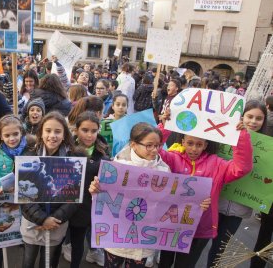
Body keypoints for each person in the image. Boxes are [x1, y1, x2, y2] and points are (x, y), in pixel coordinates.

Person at [156, 110, 253, 268]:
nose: (194, 149)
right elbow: (154, 150)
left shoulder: (217, 164)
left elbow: (242, 168)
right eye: (190, 143)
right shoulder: (172, 158)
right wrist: (165, 126)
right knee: (164, 262)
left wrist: (241, 137)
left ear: (206, 145)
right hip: (170, 223)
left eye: (199, 144)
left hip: (199, 228)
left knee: (185, 265)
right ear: (183, 141)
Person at [89, 122, 173, 268]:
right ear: (133, 144)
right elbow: (105, 201)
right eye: (149, 145)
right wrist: (95, 190)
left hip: (143, 241)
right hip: (117, 239)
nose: (154, 150)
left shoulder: (164, 171)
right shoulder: (117, 166)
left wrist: (194, 204)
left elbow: (169, 203)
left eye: (158, 145)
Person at [208, 100, 267, 267]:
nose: (253, 122)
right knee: (200, 242)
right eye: (249, 116)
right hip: (215, 201)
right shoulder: (224, 134)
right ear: (242, 116)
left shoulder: (268, 147)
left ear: (264, 121)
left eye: (259, 118)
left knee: (219, 247)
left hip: (239, 207)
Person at [20, 112, 80, 268]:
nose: (52, 135)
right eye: (48, 131)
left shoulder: (73, 161)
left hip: (57, 223)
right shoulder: (28, 156)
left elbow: (73, 199)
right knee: (28, 260)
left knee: (49, 263)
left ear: (64, 135)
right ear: (41, 133)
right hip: (32, 221)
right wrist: (41, 219)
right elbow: (24, 195)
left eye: (57, 131)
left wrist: (54, 219)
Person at [63, 111, 110, 267]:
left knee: (90, 240)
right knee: (75, 243)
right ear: (76, 130)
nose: (89, 135)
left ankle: (93, 253)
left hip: (93, 207)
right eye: (85, 130)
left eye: (93, 131)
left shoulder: (103, 151)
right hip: (71, 206)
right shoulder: (67, 149)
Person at [0, 114, 34, 267]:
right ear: (0, 136)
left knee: (27, 242)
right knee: (1, 240)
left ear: (21, 132)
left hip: (27, 206)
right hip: (6, 204)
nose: (12, 138)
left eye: (15, 134)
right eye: (7, 135)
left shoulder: (30, 153)